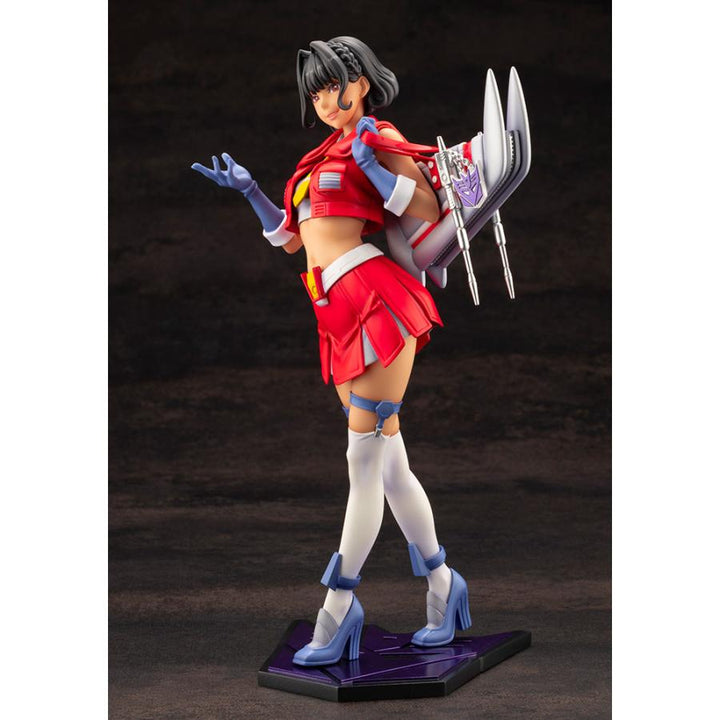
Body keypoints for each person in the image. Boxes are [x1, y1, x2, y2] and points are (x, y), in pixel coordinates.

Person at [191, 36, 471, 667]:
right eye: (314, 91)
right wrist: (251, 191)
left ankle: (339, 605)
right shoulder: (316, 158)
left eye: (333, 85)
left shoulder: (378, 136)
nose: (324, 100)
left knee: (362, 462)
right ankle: (443, 583)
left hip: (376, 300)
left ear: (361, 83)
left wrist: (377, 169)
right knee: (389, 464)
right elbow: (294, 240)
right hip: (332, 310)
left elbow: (429, 207)